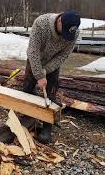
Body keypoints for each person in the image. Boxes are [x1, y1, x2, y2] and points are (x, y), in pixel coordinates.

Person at [23, 11, 81, 144]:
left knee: (50, 96)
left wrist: (47, 70)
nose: (66, 35)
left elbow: (63, 55)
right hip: (35, 59)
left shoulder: (74, 32)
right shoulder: (41, 24)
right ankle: (26, 116)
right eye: (64, 30)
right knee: (27, 88)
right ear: (59, 21)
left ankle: (46, 129)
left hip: (53, 63)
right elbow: (33, 51)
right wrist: (39, 74)